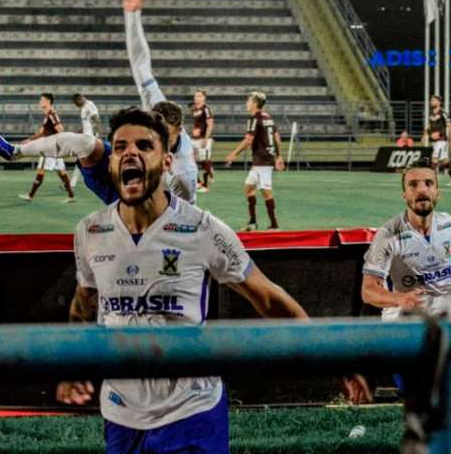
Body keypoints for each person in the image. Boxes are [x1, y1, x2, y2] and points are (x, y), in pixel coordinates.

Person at [56, 108, 370, 452]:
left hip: (192, 410)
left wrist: (333, 356)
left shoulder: (203, 229)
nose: (130, 152)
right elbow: (84, 301)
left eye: (144, 145)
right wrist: (73, 365)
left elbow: (269, 299)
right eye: (119, 147)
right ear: (112, 164)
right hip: (120, 411)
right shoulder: (90, 232)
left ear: (167, 161)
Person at [0, 0, 197, 205]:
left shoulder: (183, 171)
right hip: (119, 175)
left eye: (164, 135)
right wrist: (132, 15)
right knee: (84, 143)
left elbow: (184, 213)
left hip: (142, 202)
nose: (155, 137)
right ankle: (14, 151)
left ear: (179, 131)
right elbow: (141, 65)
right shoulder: (156, 107)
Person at [361, 158, 451, 406]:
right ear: (404, 194)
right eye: (413, 185)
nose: (421, 190)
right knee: (425, 398)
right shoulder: (387, 236)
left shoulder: (449, 223)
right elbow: (369, 291)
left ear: (438, 192)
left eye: (428, 183)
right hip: (409, 321)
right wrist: (400, 299)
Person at [224, 92, 284, 231]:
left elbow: (248, 140)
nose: (246, 103)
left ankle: (274, 225)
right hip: (264, 159)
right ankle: (252, 222)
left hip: (263, 161)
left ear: (255, 104)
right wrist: (279, 156)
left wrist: (234, 153)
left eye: (249, 100)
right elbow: (276, 136)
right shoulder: (268, 117)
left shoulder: (255, 118)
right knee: (249, 188)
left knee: (266, 192)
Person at [19, 92, 76, 203]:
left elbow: (60, 129)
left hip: (50, 147)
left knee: (41, 170)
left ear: (48, 101)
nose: (40, 102)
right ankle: (71, 196)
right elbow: (41, 132)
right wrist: (30, 140)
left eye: (42, 100)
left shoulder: (52, 114)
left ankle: (30, 196)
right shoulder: (48, 115)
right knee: (61, 172)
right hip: (55, 147)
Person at [422, 95, 451, 186]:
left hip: (442, 140)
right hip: (434, 141)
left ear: (439, 102)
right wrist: (425, 134)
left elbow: (450, 127)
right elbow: (429, 126)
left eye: (433, 100)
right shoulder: (431, 114)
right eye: (431, 100)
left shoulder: (443, 113)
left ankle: (430, 180)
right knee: (444, 160)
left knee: (434, 158)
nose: (431, 102)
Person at [70, 93, 102, 188]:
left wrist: (100, 135)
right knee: (84, 158)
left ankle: (72, 183)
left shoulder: (89, 105)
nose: (77, 106)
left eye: (76, 104)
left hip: (92, 137)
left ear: (79, 99)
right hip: (87, 136)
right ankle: (73, 183)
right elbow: (88, 123)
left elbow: (96, 120)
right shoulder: (84, 107)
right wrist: (80, 130)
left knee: (83, 158)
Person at [191, 89, 215, 192]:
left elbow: (210, 124)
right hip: (195, 138)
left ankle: (206, 185)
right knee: (191, 160)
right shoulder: (194, 109)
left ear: (204, 98)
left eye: (199, 96)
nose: (197, 98)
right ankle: (199, 183)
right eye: (196, 96)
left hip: (204, 139)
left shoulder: (206, 109)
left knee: (204, 160)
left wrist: (206, 138)